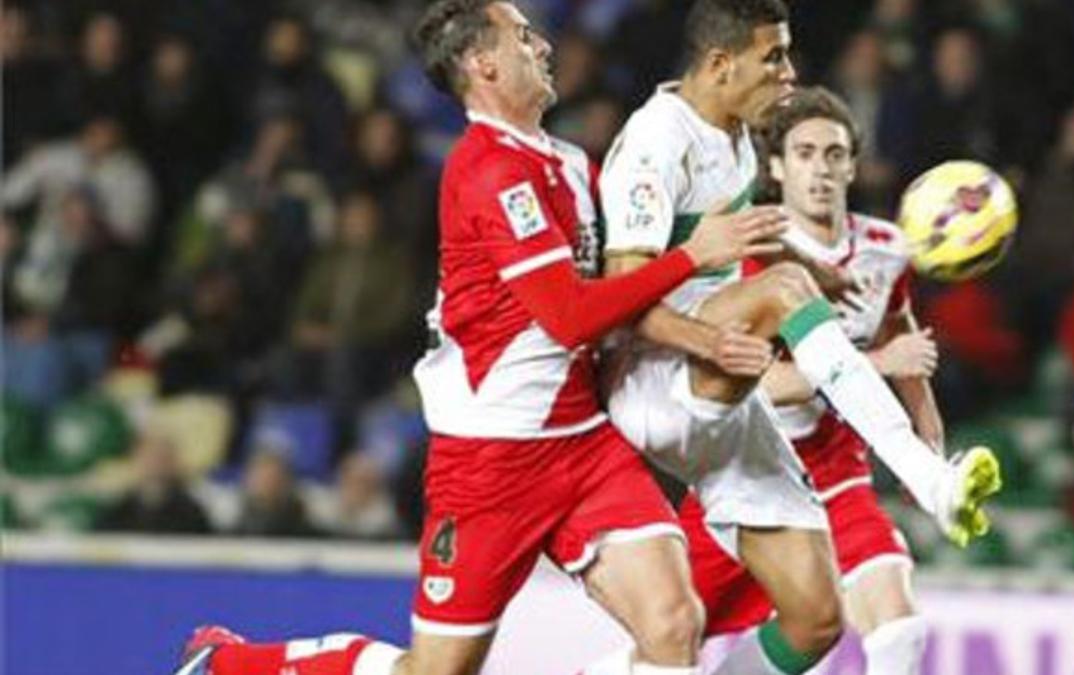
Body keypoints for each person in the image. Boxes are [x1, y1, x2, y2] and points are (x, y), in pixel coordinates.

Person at [173, 2, 786, 675]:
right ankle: (235, 662)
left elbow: (619, 298)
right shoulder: (486, 169)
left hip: (581, 443)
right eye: (524, 36)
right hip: (492, 458)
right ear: (482, 63)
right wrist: (693, 256)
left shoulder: (571, 162)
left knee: (674, 624)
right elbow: (571, 316)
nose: (545, 46)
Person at [597, 4, 1000, 670]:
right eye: (774, 57)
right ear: (722, 64)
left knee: (814, 619)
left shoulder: (729, 134)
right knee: (782, 287)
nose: (788, 73)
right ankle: (930, 481)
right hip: (657, 378)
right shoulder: (654, 143)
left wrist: (816, 269)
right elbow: (621, 301)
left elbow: (745, 229)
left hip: (729, 397)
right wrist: (711, 339)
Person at [678, 87, 1002, 675]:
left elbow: (900, 333)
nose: (821, 169)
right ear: (776, 167)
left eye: (834, 154)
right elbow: (759, 382)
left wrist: (927, 450)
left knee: (900, 630)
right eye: (804, 153)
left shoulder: (885, 248)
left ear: (853, 164)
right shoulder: (752, 257)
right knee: (667, 645)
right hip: (745, 469)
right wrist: (879, 366)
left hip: (835, 470)